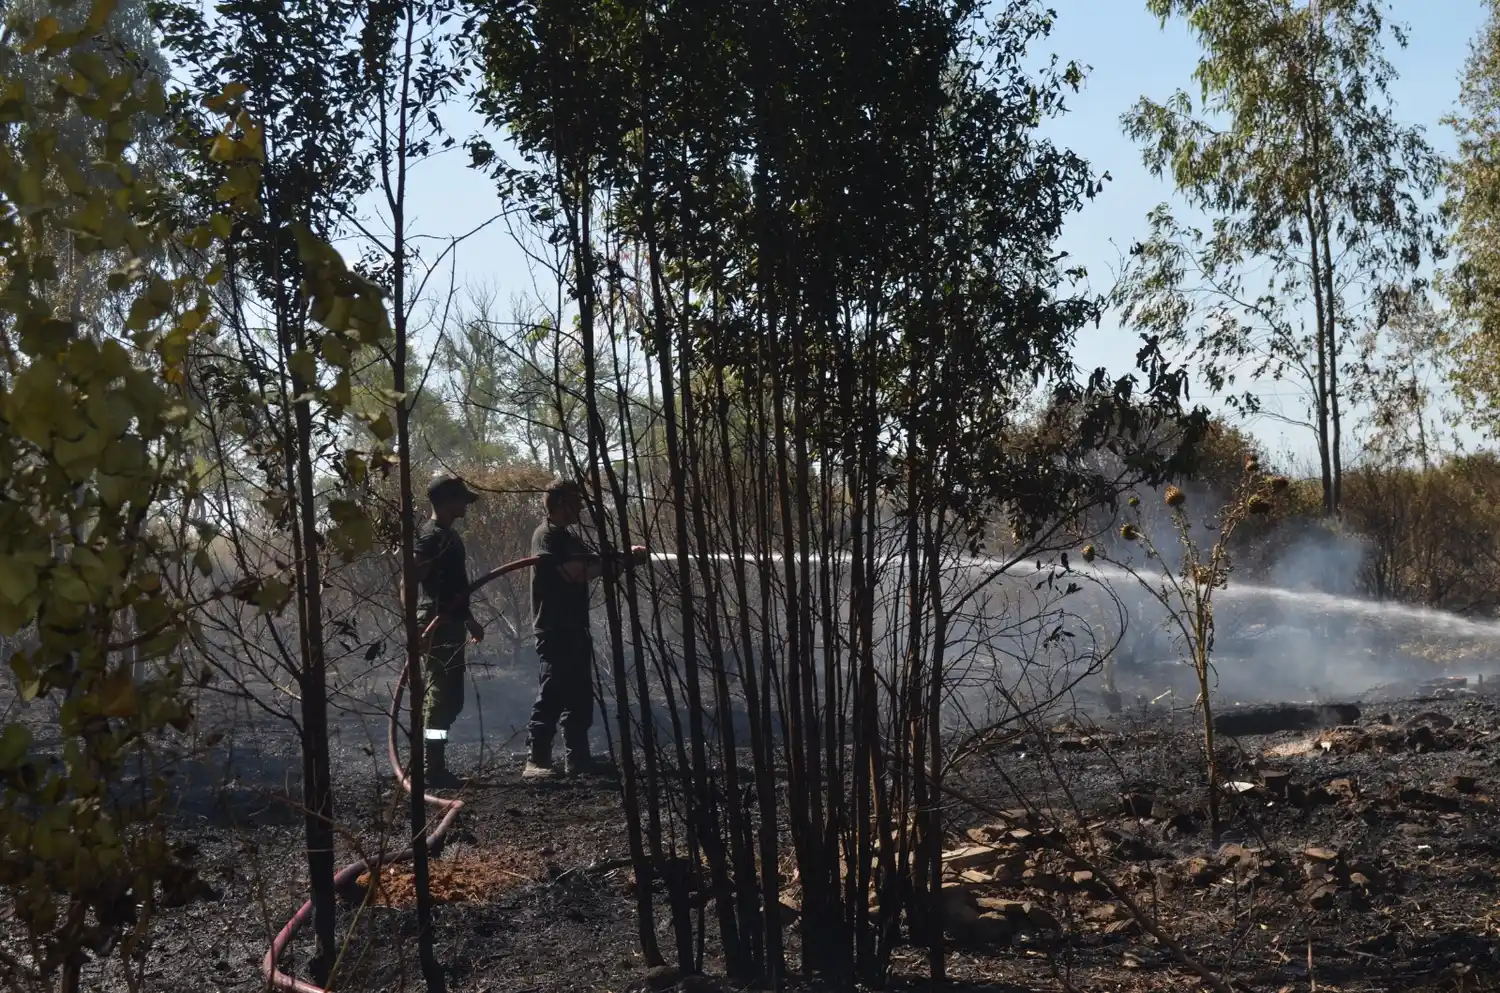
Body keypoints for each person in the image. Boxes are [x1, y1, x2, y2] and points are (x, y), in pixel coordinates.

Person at [523, 478, 647, 779]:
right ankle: (537, 760)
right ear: (560, 503)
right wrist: (622, 561)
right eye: (575, 501)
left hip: (574, 627)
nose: (581, 506)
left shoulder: (568, 537)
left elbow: (590, 569)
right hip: (554, 628)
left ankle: (578, 759)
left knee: (579, 695)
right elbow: (574, 573)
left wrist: (622, 560)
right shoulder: (548, 535)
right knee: (553, 691)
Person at [412, 475, 485, 790]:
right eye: (461, 499)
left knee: (451, 699)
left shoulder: (450, 536)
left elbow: (456, 587)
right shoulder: (430, 537)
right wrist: (420, 624)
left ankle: (433, 761)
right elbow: (413, 578)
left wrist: (468, 620)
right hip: (436, 624)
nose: (465, 505)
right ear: (445, 502)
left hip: (451, 623)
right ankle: (432, 766)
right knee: (441, 698)